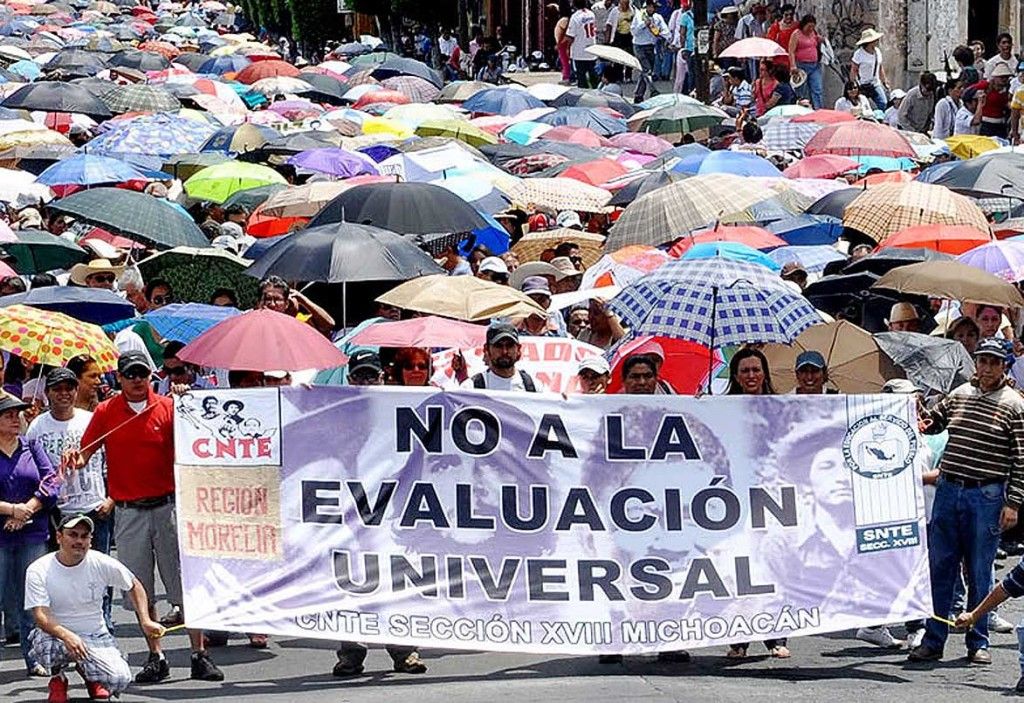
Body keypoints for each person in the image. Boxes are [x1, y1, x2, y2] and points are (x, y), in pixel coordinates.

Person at [66, 350, 223, 683]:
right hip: (128, 511)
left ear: (151, 376)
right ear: (120, 378)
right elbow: (84, 455)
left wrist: (185, 400)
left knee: (183, 582)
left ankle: (199, 653)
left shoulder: (169, 406)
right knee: (139, 588)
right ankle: (156, 656)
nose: (137, 380)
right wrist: (72, 457)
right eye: (130, 374)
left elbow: (201, 440)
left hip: (168, 507)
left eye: (142, 373)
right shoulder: (107, 411)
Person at [909, 338, 1024, 665]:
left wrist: (1014, 503)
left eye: (993, 362)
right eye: (982, 361)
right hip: (949, 489)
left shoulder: (1014, 405)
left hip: (986, 494)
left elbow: (1021, 459)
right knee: (940, 567)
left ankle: (978, 641)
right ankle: (934, 639)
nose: (987, 368)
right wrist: (918, 410)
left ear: (1004, 366)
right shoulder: (960, 394)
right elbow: (934, 423)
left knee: (980, 570)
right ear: (976, 362)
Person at [26, 514, 163, 703]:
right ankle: (58, 678)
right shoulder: (38, 569)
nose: (79, 541)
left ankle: (90, 675)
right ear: (59, 537)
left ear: (90, 541)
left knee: (120, 678)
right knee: (45, 647)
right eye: (73, 535)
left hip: (94, 634)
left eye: (84, 536)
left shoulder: (101, 562)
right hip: (56, 634)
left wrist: (146, 620)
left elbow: (134, 585)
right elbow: (41, 615)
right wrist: (67, 636)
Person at [27, 369, 113, 627]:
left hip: (94, 506)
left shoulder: (91, 420)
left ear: (76, 391)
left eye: (69, 388)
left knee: (99, 570)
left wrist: (111, 498)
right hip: (58, 511)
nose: (64, 394)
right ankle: (66, 625)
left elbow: (112, 460)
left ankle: (103, 622)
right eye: (57, 389)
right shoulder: (37, 426)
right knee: (61, 573)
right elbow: (31, 467)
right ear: (47, 393)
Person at [724, 347, 787, 657]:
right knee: (740, 569)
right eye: (745, 371)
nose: (751, 375)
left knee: (773, 566)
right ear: (736, 376)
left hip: (774, 499)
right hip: (734, 500)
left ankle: (776, 637)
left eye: (756, 369)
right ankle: (739, 639)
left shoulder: (781, 407)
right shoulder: (721, 407)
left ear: (764, 373)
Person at [0, 392, 58, 676]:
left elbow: (52, 481)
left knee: (32, 599)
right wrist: (12, 509)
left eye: (18, 414)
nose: (16, 419)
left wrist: (28, 509)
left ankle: (35, 657)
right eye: (8, 415)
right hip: (1, 535)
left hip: (32, 533)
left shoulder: (31, 446)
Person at [461, 323, 540, 392]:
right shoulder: (470, 388)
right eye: (498, 346)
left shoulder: (535, 387)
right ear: (486, 349)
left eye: (509, 345)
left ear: (518, 349)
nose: (504, 351)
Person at [256, 275, 334, 335]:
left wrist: (302, 299)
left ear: (286, 303)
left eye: (277, 299)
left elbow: (329, 324)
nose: (272, 305)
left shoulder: (299, 322)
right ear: (258, 303)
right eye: (267, 299)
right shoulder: (252, 322)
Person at [630, 0, 667, 104]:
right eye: (650, 7)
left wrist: (662, 35)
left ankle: (638, 95)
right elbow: (633, 32)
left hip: (651, 46)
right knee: (647, 70)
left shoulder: (657, 17)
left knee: (644, 72)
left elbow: (665, 30)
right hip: (639, 46)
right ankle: (653, 90)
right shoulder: (639, 16)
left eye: (654, 7)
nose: (652, 9)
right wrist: (643, 24)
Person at [788, 14, 823, 109]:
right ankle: (803, 109)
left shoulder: (813, 33)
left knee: (817, 88)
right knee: (802, 91)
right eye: (809, 26)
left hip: (814, 65)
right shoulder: (796, 34)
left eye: (812, 27)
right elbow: (791, 51)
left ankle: (818, 109)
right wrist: (793, 65)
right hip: (801, 65)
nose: (810, 29)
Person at [850, 28, 887, 109]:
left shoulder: (877, 52)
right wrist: (853, 84)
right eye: (875, 40)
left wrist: (884, 81)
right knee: (860, 106)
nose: (877, 41)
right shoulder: (859, 54)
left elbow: (880, 67)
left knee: (883, 103)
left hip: (875, 84)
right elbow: (854, 69)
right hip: (862, 84)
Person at [566, 0, 598, 89]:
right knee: (593, 77)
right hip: (591, 50)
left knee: (581, 78)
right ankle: (596, 92)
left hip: (579, 53)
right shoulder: (591, 14)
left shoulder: (575, 17)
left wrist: (567, 48)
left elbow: (570, 36)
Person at [977, 63, 1013, 139]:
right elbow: (971, 90)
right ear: (995, 77)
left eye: (1006, 77)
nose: (1004, 79)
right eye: (1002, 77)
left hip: (1001, 125)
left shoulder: (1008, 88)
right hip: (987, 125)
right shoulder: (986, 86)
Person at [674, 0, 695, 94]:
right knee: (691, 73)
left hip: (701, 48)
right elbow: (682, 34)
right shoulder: (685, 16)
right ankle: (690, 91)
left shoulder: (703, 16)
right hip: (689, 48)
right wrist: (683, 48)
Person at [553, 5, 572, 83]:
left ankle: (566, 77)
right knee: (564, 61)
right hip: (563, 43)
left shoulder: (564, 20)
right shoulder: (566, 19)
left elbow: (565, 32)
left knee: (565, 61)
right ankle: (566, 76)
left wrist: (560, 43)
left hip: (563, 44)